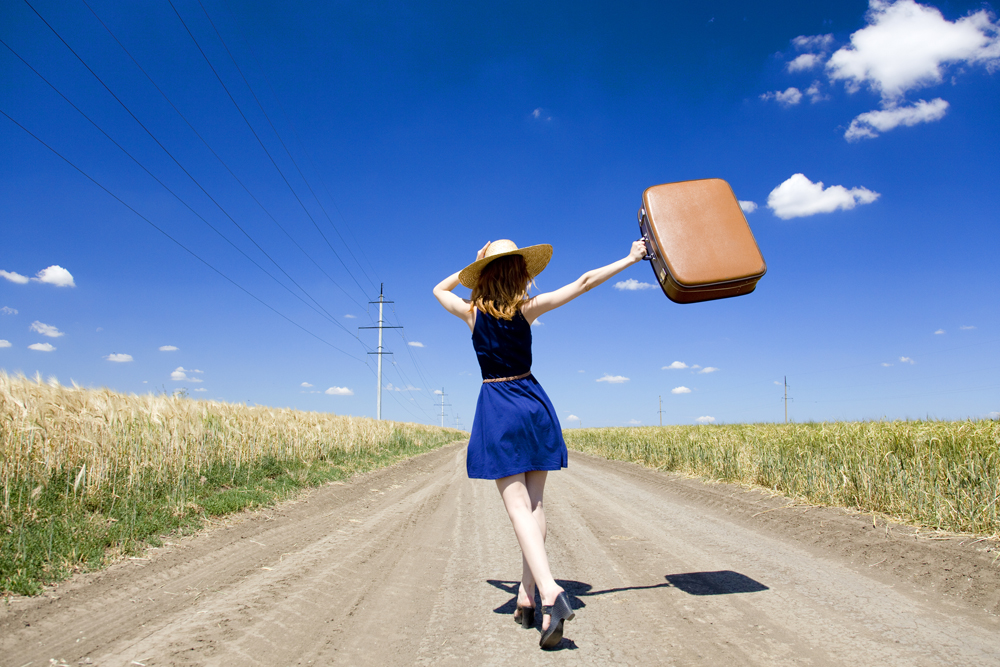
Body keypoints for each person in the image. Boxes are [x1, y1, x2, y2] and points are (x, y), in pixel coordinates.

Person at [433, 237, 647, 649]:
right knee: (536, 506)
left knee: (517, 509)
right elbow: (584, 282)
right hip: (534, 403)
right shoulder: (527, 310)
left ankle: (549, 591)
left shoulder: (471, 313)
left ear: (485, 274)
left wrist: (471, 265)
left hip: (499, 405)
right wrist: (631, 257)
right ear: (519, 273)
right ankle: (526, 597)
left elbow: (440, 290)